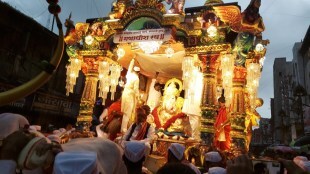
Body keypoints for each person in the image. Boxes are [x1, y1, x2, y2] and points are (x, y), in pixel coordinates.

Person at [121, 59, 140, 133]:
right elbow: (135, 89)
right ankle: (124, 129)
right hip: (130, 95)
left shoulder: (129, 74)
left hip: (125, 93)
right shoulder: (136, 78)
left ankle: (123, 128)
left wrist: (132, 60)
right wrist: (138, 97)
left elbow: (129, 68)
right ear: (138, 73)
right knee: (128, 113)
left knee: (125, 113)